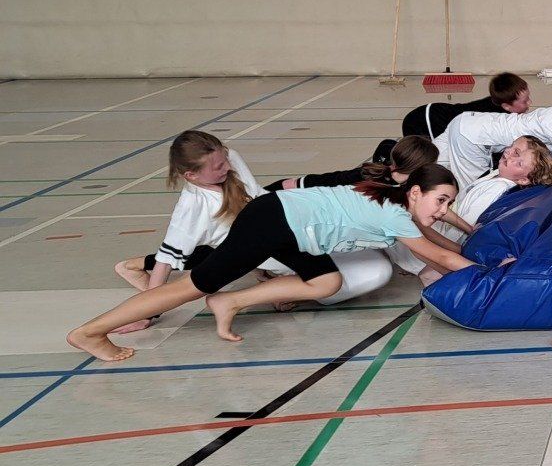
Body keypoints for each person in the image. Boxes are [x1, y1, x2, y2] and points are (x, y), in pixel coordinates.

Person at [67, 166, 475, 360]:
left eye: (449, 203)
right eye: (440, 201)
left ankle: (229, 301)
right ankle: (90, 332)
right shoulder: (395, 215)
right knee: (192, 285)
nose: (443, 210)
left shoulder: (394, 199)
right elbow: (437, 254)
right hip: (273, 222)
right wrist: (490, 274)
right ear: (416, 192)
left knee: (326, 282)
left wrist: (470, 236)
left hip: (288, 225)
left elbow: (436, 239)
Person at [111, 131, 392, 327]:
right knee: (361, 277)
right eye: (218, 166)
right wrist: (147, 314)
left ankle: (277, 281)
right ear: (191, 175)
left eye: (224, 159)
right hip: (270, 245)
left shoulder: (230, 158)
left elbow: (257, 195)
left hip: (281, 224)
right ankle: (272, 285)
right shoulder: (190, 207)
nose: (226, 167)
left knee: (371, 259)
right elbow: (167, 259)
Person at [387, 136, 552, 283]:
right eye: (512, 147)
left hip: (429, 246)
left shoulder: (497, 188)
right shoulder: (498, 175)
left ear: (524, 180)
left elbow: (457, 241)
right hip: (428, 238)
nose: (508, 153)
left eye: (517, 158)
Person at [268, 136, 437, 191]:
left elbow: (387, 144)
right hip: (290, 192)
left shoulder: (386, 170)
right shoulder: (382, 188)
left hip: (299, 185)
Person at [400, 72, 531, 139]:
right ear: (507, 106)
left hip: (432, 114)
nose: (529, 103)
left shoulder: (498, 102)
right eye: (525, 101)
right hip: (425, 120)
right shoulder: (495, 119)